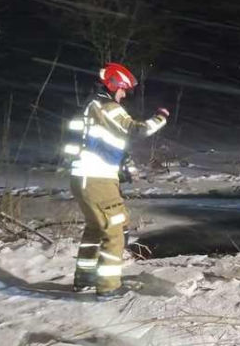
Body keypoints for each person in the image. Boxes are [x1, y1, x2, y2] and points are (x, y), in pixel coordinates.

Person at [63, 63, 169, 295]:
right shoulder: (107, 107)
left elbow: (100, 143)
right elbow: (137, 129)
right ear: (112, 86)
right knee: (116, 229)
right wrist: (161, 118)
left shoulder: (92, 107)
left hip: (87, 176)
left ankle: (85, 277)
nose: (123, 94)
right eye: (122, 89)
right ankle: (108, 287)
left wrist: (122, 165)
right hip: (95, 178)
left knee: (95, 227)